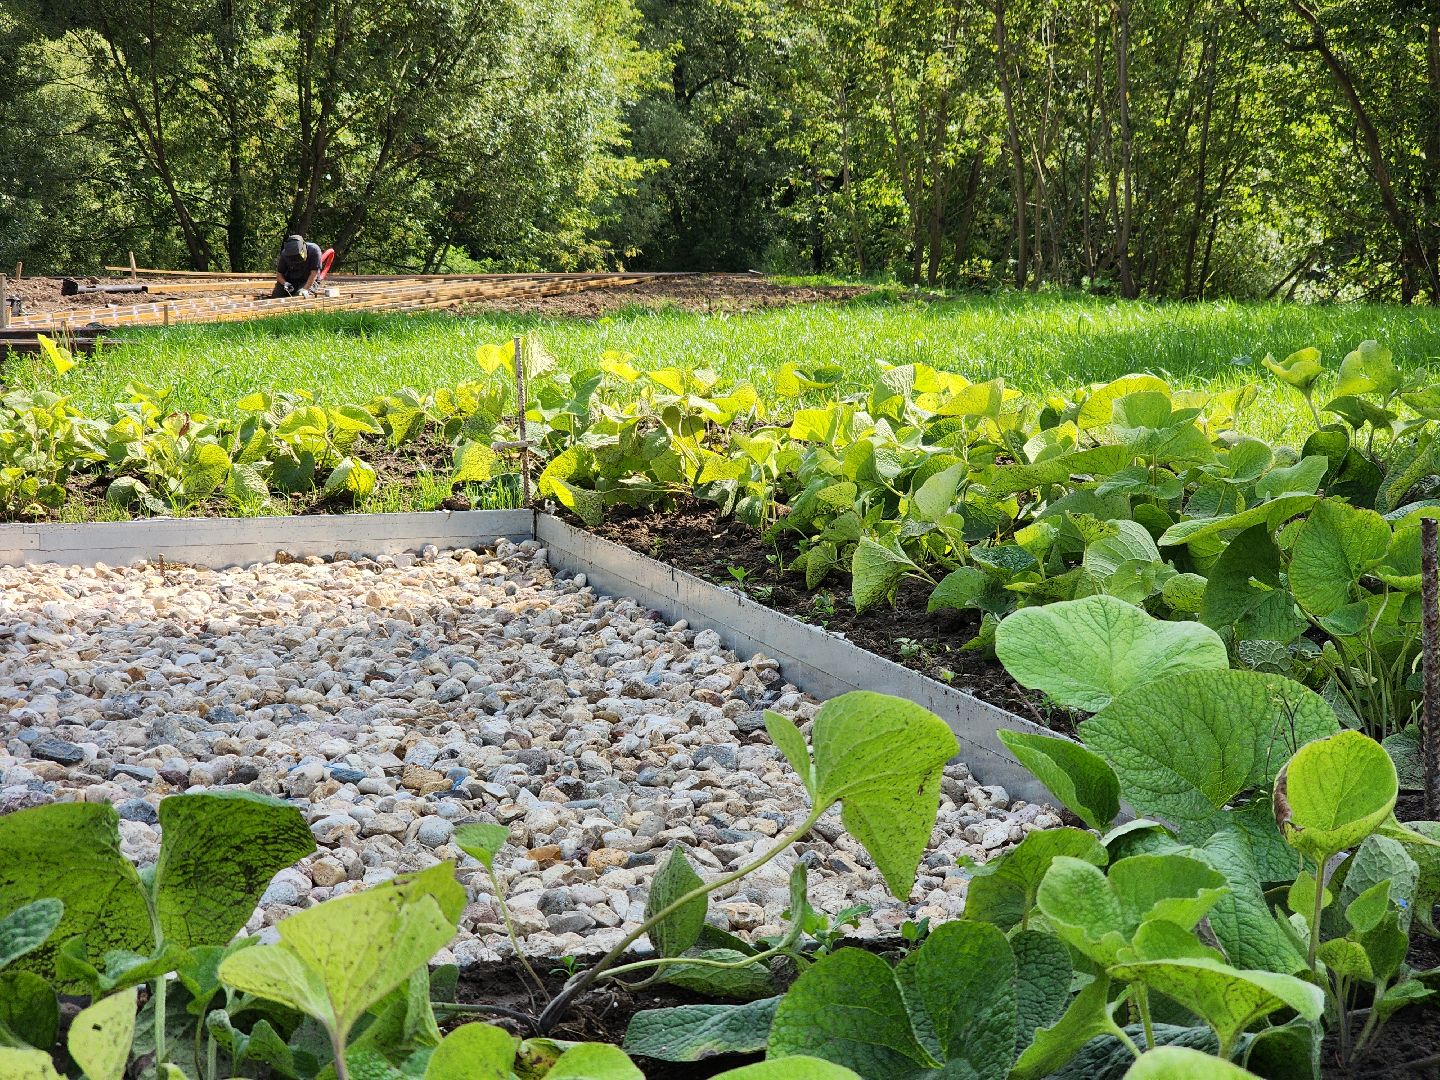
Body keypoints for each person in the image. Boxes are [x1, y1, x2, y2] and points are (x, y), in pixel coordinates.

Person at [271, 234, 334, 298]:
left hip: (308, 280)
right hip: (291, 281)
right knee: (276, 295)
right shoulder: (285, 254)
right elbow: (279, 274)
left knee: (299, 296)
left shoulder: (314, 250)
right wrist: (285, 283)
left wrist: (305, 289)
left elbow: (314, 273)